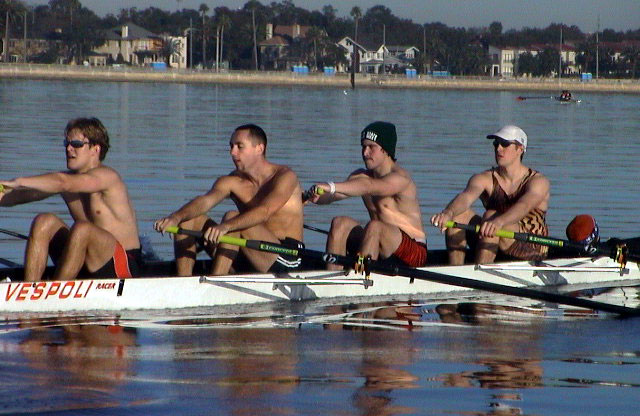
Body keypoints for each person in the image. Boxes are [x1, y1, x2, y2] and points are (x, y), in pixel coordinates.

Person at [0, 117, 141, 281]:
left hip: (123, 265)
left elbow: (62, 183)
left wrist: (18, 181)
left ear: (95, 149)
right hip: (85, 260)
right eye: (66, 144)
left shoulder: (107, 177)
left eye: (76, 144)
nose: (68, 149)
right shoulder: (68, 182)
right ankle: (30, 289)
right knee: (44, 221)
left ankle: (56, 293)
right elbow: (18, 196)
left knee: (82, 228)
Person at [154, 124, 304, 276]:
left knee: (231, 217)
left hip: (285, 256)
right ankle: (183, 282)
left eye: (240, 146)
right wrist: (175, 217)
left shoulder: (285, 176)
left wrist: (226, 227)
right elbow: (205, 201)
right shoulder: (232, 181)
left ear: (259, 148)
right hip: (246, 250)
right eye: (231, 146)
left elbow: (264, 212)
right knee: (189, 220)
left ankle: (215, 281)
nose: (233, 152)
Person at [306, 121, 427, 271]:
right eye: (363, 147)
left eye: (371, 147)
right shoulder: (360, 176)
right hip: (377, 243)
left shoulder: (400, 179)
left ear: (385, 149)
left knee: (375, 226)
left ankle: (361, 278)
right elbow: (334, 195)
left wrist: (330, 186)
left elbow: (369, 187)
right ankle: (332, 278)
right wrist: (316, 197)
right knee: (340, 223)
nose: (365, 153)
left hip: (412, 252)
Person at [431, 125, 549, 265]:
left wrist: (498, 222)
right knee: (458, 216)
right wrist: (448, 213)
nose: (498, 148)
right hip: (493, 238)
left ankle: (480, 274)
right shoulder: (484, 178)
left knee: (490, 216)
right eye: (496, 143)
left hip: (530, 247)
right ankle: (455, 271)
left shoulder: (538, 181)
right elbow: (466, 197)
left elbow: (524, 206)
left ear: (520, 148)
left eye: (505, 144)